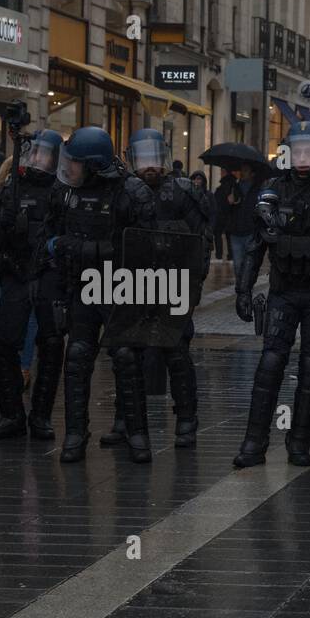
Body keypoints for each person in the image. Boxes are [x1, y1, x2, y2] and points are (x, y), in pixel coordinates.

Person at [232, 121, 310, 468]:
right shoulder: (273, 189)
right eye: (296, 151)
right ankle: (254, 443)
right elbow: (255, 246)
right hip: (283, 291)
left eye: (309, 151)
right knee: (270, 365)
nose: (302, 157)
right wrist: (244, 289)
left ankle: (300, 441)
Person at [41, 126, 156, 463]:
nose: (69, 168)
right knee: (76, 357)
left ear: (92, 164)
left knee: (126, 358)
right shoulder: (66, 192)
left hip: (120, 288)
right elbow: (50, 233)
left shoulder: (132, 192)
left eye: (75, 162)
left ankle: (136, 433)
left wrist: (77, 247)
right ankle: (76, 433)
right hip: (81, 287)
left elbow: (144, 247)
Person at [112, 128, 211, 448]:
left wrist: (195, 285)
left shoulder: (183, 192)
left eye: (155, 158)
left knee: (177, 353)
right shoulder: (124, 192)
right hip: (136, 284)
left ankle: (186, 420)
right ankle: (125, 419)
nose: (150, 166)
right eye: (143, 159)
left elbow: (202, 241)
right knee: (129, 356)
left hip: (174, 284)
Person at [0, 129, 67, 441]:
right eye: (36, 152)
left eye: (46, 154)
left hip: (48, 276)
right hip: (16, 274)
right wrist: (4, 223)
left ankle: (41, 416)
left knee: (52, 343)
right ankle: (11, 414)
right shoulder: (11, 189)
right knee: (3, 343)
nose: (38, 159)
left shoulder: (63, 192)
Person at [223, 165, 259, 278]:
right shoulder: (234, 187)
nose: (243, 173)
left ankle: (247, 288)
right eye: (242, 170)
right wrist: (228, 202)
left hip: (250, 231)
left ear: (252, 173)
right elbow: (224, 210)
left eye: (246, 170)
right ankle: (241, 289)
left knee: (250, 264)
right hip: (235, 232)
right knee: (238, 265)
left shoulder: (257, 189)